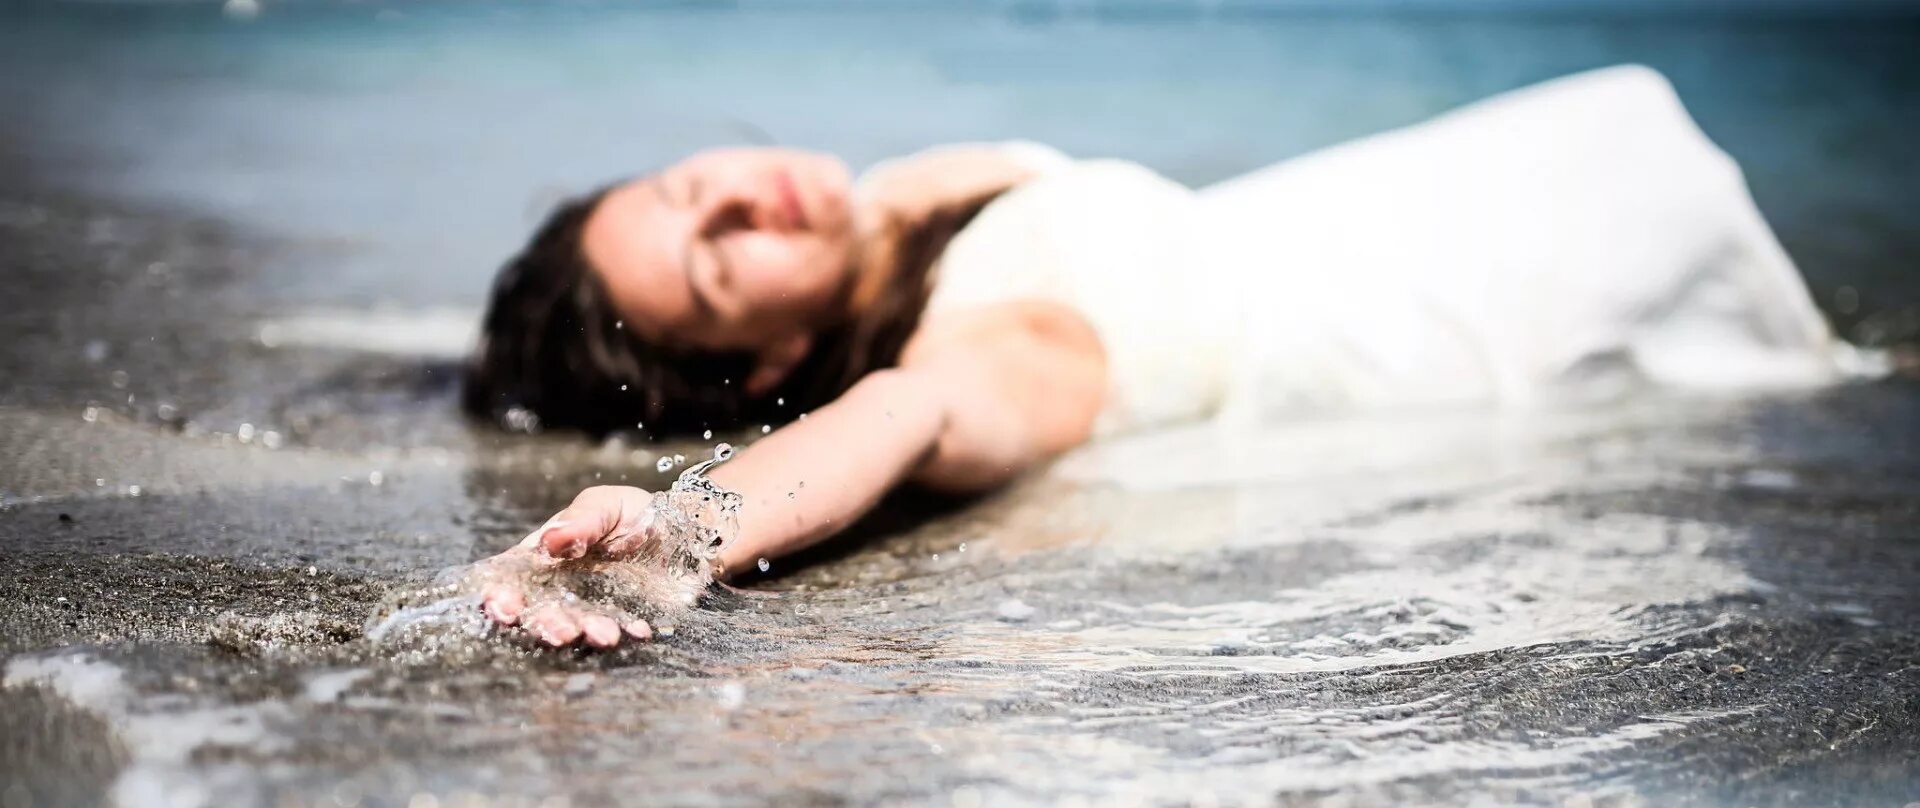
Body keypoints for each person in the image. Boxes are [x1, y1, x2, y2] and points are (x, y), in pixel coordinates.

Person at [463, 65, 1879, 649]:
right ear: (768, 360)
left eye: (670, 186)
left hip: (1494, 195)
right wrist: (684, 526)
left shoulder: (895, 218)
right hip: (1541, 299)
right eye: (715, 257)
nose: (732, 193)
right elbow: (906, 412)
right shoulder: (997, 337)